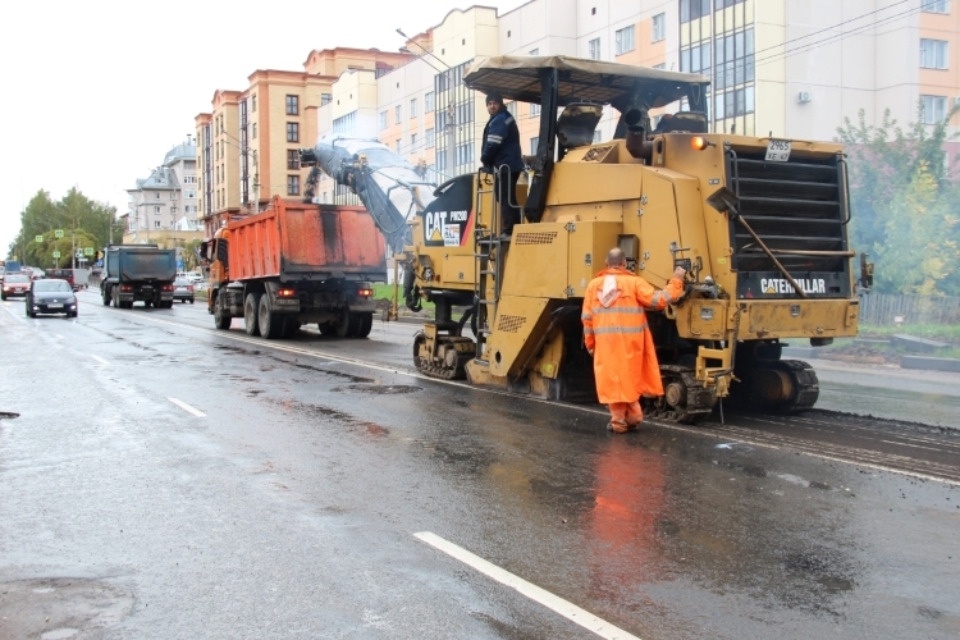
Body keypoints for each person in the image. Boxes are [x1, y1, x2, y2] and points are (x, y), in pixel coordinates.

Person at [581, 248, 687, 433]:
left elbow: (587, 319)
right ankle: (628, 419)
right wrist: (677, 279)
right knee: (628, 380)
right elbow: (660, 300)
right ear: (624, 264)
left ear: (607, 263)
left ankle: (621, 421)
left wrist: (591, 345)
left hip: (605, 346)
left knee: (613, 382)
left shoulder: (593, 286)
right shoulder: (635, 283)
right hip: (631, 345)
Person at [480, 92, 525, 237]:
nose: (492, 106)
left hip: (506, 165)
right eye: (490, 104)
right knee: (507, 196)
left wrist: (485, 159)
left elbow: (493, 143)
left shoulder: (499, 120)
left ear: (500, 104)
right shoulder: (505, 117)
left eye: (495, 103)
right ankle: (513, 226)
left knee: (505, 196)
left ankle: (510, 230)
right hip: (511, 164)